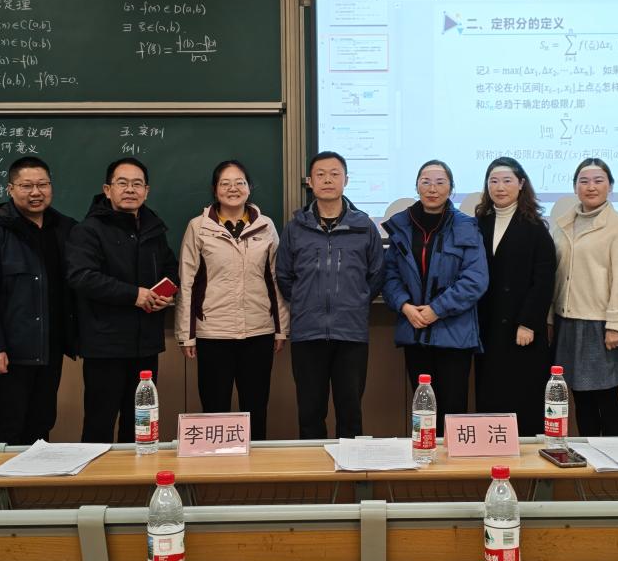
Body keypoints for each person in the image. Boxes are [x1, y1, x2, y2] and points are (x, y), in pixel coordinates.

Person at [66, 157, 178, 444]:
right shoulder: (88, 230)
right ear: (107, 189)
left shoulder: (154, 229)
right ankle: (97, 475)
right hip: (105, 346)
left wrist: (166, 294)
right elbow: (82, 277)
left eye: (137, 184)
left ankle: (139, 472)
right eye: (122, 183)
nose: (130, 189)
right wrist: (134, 295)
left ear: (146, 191)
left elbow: (170, 268)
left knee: (141, 424)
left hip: (145, 344)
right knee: (100, 424)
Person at [174, 160, 289, 441]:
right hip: (213, 333)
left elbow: (276, 280)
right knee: (215, 410)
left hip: (258, 332)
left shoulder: (266, 226)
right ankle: (216, 465)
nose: (233, 188)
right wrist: (186, 335)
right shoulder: (198, 227)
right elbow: (187, 282)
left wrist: (281, 329)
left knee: (256, 408)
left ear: (249, 188)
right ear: (215, 190)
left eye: (240, 182)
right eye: (225, 183)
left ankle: (255, 464)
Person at [0, 156, 76, 445]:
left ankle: (35, 475)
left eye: (43, 184)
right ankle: (1, 477)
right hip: (11, 351)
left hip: (50, 347)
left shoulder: (64, 228)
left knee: (42, 423)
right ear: (10, 189)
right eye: (27, 186)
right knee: (9, 425)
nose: (36, 192)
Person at [276, 151, 384, 440]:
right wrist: (305, 302)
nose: (327, 180)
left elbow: (376, 275)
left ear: (346, 180)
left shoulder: (364, 226)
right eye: (320, 174)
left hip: (351, 333)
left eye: (335, 174)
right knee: (310, 413)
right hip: (308, 333)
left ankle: (351, 467)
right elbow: (284, 275)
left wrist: (355, 301)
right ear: (309, 182)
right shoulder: (295, 228)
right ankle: (313, 468)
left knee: (351, 413)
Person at [382, 160, 488, 433]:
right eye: (426, 181)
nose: (432, 188)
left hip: (454, 335)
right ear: (416, 186)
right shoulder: (401, 225)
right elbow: (390, 274)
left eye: (440, 182)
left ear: (451, 188)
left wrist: (436, 310)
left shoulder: (466, 226)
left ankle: (451, 461)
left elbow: (475, 280)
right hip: (415, 330)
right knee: (423, 411)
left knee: (453, 411)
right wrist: (405, 306)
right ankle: (424, 456)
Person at [549, 158, 618, 437]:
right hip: (567, 322)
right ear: (575, 187)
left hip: (601, 325)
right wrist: (549, 318)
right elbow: (554, 274)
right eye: (584, 181)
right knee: (579, 397)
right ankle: (587, 453)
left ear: (610, 186)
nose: (591, 187)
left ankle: (613, 455)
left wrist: (617, 326)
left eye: (598, 181)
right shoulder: (562, 224)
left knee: (607, 397)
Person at [474, 157, 556, 436]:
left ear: (521, 184)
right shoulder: (479, 224)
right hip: (488, 325)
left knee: (522, 394)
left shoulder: (535, 227)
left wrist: (529, 322)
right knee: (491, 392)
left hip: (522, 329)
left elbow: (544, 280)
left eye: (507, 180)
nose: (500, 187)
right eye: (493, 181)